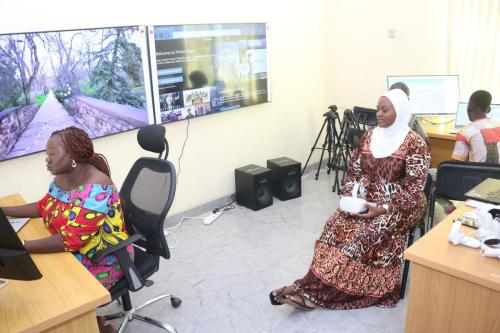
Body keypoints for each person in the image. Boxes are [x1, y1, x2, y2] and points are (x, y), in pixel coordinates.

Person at [270, 89, 430, 310]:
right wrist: (349, 194)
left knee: (364, 234)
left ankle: (313, 293)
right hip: (367, 199)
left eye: (385, 110)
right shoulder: (370, 136)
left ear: (400, 111)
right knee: (334, 226)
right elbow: (353, 170)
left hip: (400, 206)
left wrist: (382, 208)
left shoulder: (415, 144)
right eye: (377, 109)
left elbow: (414, 190)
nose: (379, 114)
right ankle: (309, 286)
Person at [1, 126, 132, 333]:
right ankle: (92, 323)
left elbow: (70, 240)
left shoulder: (96, 187)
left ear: (73, 157)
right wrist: (2, 211)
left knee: (52, 293)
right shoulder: (62, 178)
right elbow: (41, 207)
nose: (47, 159)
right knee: (39, 277)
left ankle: (94, 325)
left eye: (52, 154)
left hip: (105, 257)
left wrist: (20, 246)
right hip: (77, 251)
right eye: (47, 154)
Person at [452, 90, 500, 163]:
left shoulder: (465, 132)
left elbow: (456, 165)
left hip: (479, 174)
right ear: (489, 110)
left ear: (469, 108)